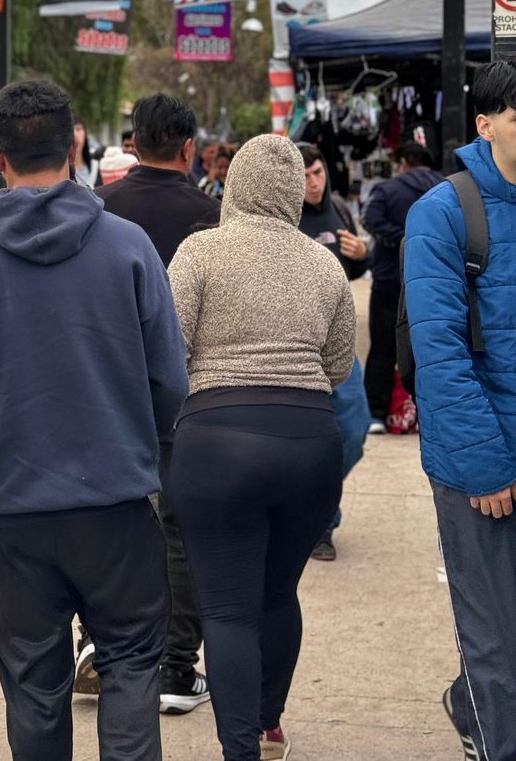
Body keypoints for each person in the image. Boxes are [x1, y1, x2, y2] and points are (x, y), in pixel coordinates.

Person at [0, 80, 186, 761]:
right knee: (131, 665)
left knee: (34, 689)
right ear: (75, 144)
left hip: (11, 507)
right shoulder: (128, 248)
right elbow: (170, 382)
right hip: (118, 502)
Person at [168, 135, 356, 761]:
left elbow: (170, 352)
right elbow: (337, 367)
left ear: (235, 186)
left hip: (217, 439)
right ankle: (270, 722)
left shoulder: (199, 252)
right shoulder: (324, 264)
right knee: (279, 594)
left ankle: (239, 748)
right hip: (308, 441)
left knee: (226, 609)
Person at [403, 59, 516, 760]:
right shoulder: (444, 211)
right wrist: (484, 467)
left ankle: (469, 698)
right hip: (480, 462)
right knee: (494, 632)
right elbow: (439, 356)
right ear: (486, 122)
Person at [94, 93, 218, 715]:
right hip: (187, 398)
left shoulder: (98, 211)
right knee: (177, 529)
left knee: (110, 521)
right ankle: (175, 665)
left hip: (106, 394)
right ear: (189, 148)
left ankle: (103, 647)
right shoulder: (214, 217)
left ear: (133, 143)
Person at [296, 144, 371, 561]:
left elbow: (354, 269)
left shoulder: (338, 209)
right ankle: (318, 523)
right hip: (298, 351)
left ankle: (315, 507)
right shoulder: (284, 217)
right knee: (308, 442)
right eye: (305, 175)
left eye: (318, 173)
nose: (313, 183)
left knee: (355, 431)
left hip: (339, 347)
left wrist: (363, 255)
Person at [362, 142, 442, 430]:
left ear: (404, 161)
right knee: (431, 345)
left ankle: (376, 412)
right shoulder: (449, 188)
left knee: (383, 346)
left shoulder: (386, 190)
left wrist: (402, 239)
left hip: (388, 278)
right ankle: (424, 413)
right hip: (436, 279)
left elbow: (370, 220)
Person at [72, 114, 98, 189]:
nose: (75, 135)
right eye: (70, 130)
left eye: (78, 129)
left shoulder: (96, 168)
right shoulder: (59, 173)